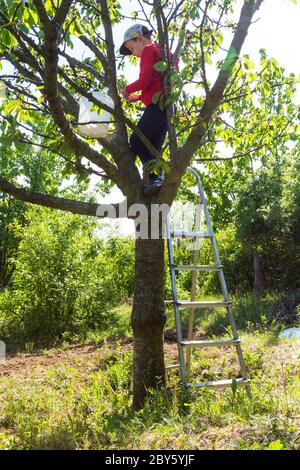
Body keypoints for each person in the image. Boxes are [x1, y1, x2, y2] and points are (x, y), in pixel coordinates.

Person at [119, 24, 178, 197]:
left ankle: (156, 177)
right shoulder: (164, 52)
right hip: (168, 106)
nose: (133, 53)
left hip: (157, 106)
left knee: (137, 140)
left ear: (141, 39)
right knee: (154, 148)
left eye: (132, 47)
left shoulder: (148, 51)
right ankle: (157, 180)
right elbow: (154, 83)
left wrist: (127, 90)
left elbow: (144, 80)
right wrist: (137, 98)